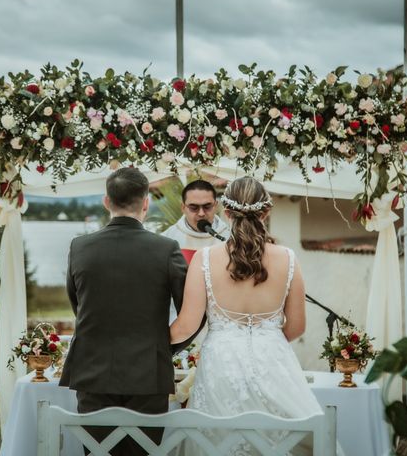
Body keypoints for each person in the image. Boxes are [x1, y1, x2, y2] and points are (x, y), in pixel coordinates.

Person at [170, 176, 325, 455]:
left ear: (225, 213)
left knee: (217, 442)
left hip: (221, 364)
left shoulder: (204, 260)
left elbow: (186, 327)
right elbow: (297, 326)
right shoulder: (288, 258)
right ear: (265, 212)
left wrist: (150, 342)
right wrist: (265, 338)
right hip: (273, 361)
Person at [58, 167, 189, 455]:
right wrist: (166, 349)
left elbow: (77, 305)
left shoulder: (79, 247)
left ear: (107, 201)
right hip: (148, 374)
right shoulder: (167, 249)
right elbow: (190, 312)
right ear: (146, 202)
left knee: (97, 452)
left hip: (92, 371)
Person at [161, 179, 230, 265]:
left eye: (207, 206)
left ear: (215, 206)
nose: (201, 213)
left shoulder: (230, 236)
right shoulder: (167, 239)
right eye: (194, 207)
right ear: (183, 208)